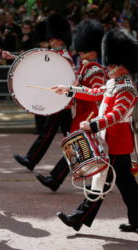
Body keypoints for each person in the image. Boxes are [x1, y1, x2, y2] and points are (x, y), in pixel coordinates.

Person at [52, 28, 138, 232]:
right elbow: (93, 92)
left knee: (101, 180)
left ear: (123, 66)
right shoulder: (114, 83)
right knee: (124, 183)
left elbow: (116, 115)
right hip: (110, 141)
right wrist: (69, 89)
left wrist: (94, 125)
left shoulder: (127, 88)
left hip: (116, 142)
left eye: (112, 64)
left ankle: (79, 218)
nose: (109, 67)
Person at [35, 18, 106, 192]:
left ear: (93, 50)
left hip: (89, 113)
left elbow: (97, 94)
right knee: (80, 147)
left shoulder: (95, 70)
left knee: (76, 146)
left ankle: (55, 179)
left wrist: (73, 90)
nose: (80, 51)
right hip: (79, 111)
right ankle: (103, 179)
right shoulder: (85, 67)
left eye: (84, 49)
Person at [13, 13, 74, 171]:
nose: (51, 41)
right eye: (51, 38)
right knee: (70, 138)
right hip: (59, 101)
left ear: (61, 39)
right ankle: (75, 160)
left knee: (48, 133)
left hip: (60, 102)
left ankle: (31, 159)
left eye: (54, 38)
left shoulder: (64, 57)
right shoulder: (57, 55)